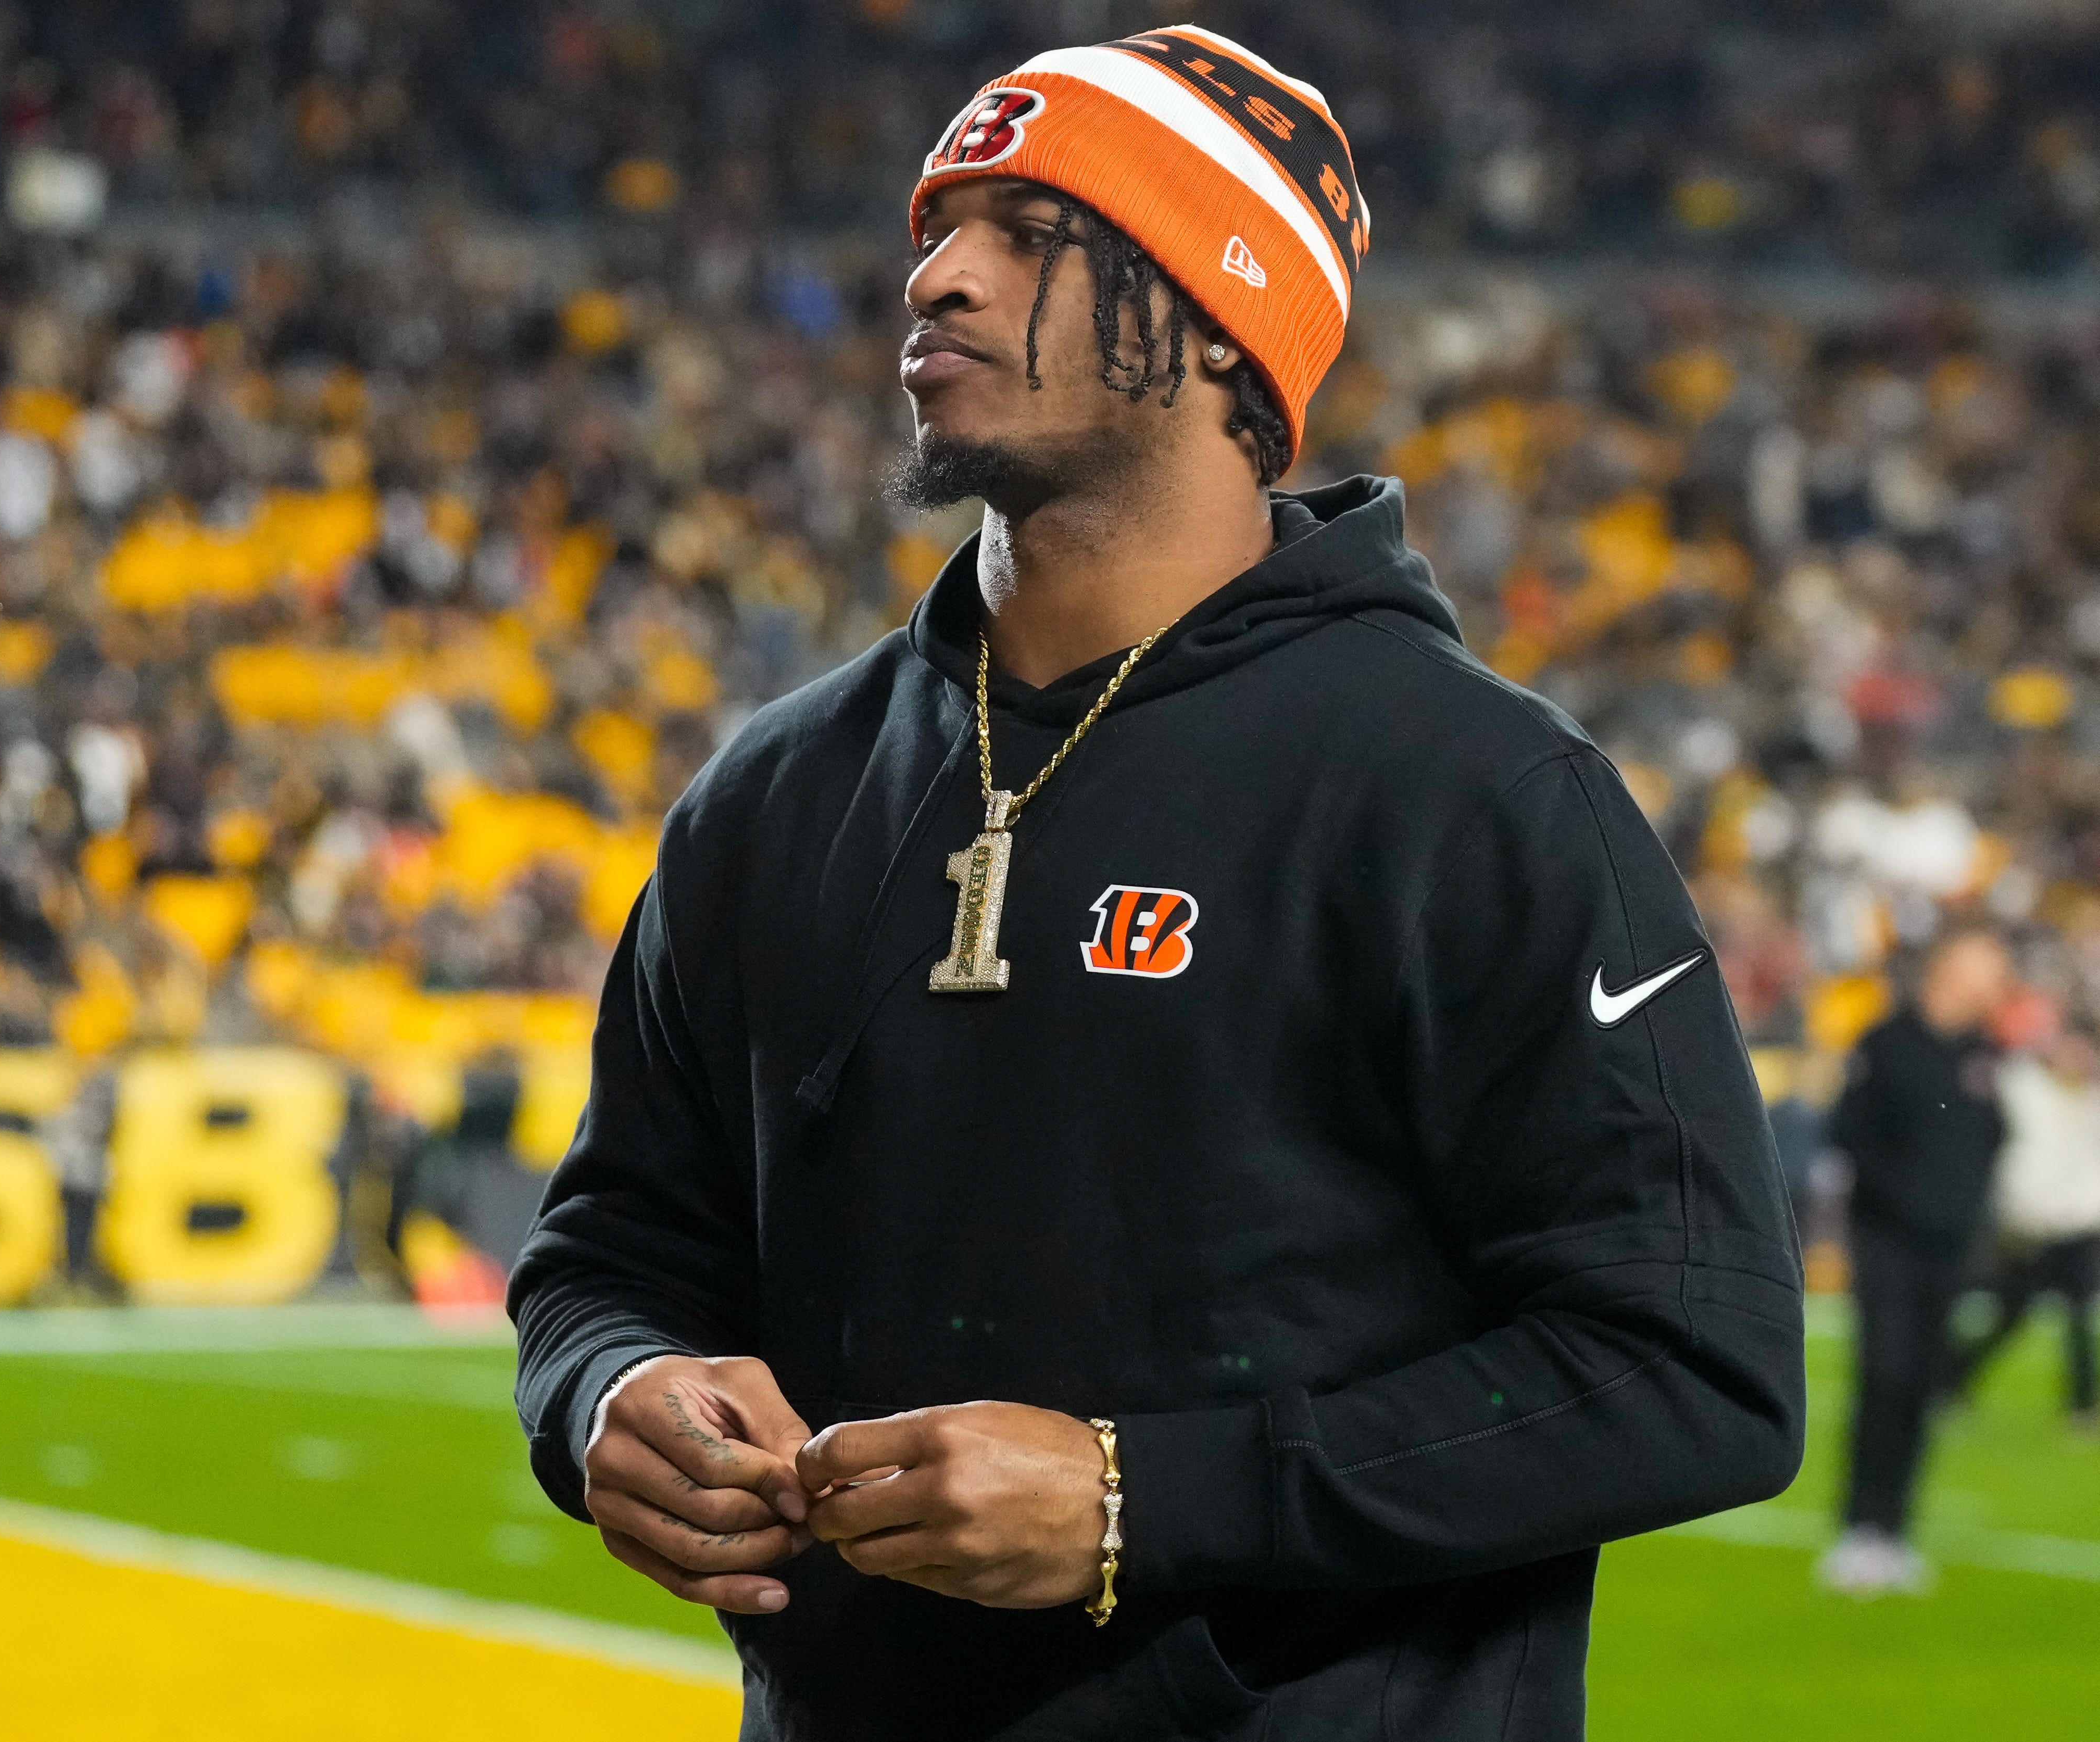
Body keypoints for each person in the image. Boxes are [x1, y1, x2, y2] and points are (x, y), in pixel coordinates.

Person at [511, 25, 1805, 1740]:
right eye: (935, 229)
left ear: (1216, 314)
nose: (935, 277)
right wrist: (607, 1393)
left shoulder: (1469, 790)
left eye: (1032, 233)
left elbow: (1691, 1365)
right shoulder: (776, 788)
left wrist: (1144, 1498)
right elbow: (614, 1246)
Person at [1818, 924, 2014, 1596]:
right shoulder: (1887, 1042)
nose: (1996, 979)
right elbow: (1850, 1131)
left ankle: (1896, 1530)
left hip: (1951, 1248)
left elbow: (1993, 1137)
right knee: (1884, 1376)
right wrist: (1903, 1202)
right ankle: (1858, 1529)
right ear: (1948, 968)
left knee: (1923, 1386)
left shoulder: (1984, 1053)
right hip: (1889, 1243)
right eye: (1985, 964)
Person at [1946, 1021, 2100, 1433]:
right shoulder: (2024, 1090)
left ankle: (2083, 1405)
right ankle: (1953, 1377)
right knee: (2011, 1315)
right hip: (2029, 1227)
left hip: (2078, 1228)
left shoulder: (2090, 1099)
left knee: (2081, 1316)